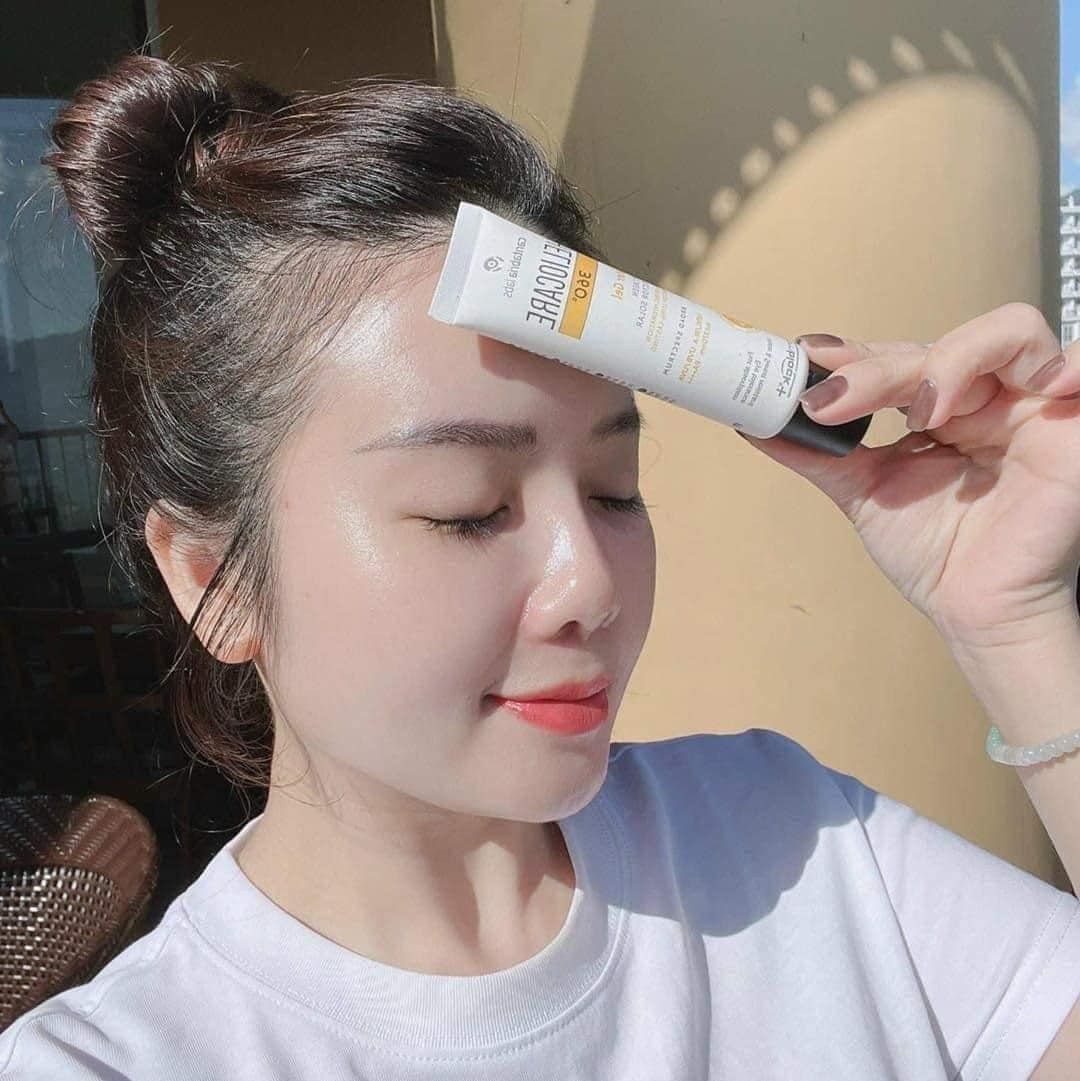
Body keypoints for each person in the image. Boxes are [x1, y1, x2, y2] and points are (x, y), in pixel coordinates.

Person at [1, 51, 1078, 1080]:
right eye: (468, 510)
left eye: (615, 490)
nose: (593, 583)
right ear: (213, 577)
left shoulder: (796, 839)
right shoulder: (122, 1060)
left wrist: (1015, 621)